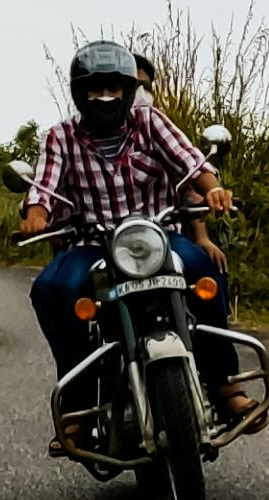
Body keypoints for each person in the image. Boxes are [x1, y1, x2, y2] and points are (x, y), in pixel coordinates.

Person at [20, 39, 235, 397]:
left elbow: (190, 161)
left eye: (113, 87)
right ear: (79, 92)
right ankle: (78, 400)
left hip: (160, 235)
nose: (105, 96)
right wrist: (36, 214)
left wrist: (213, 188)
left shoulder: (150, 121)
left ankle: (224, 383)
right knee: (52, 289)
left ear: (129, 90)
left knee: (202, 269)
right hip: (92, 244)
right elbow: (44, 184)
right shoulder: (60, 137)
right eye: (95, 88)